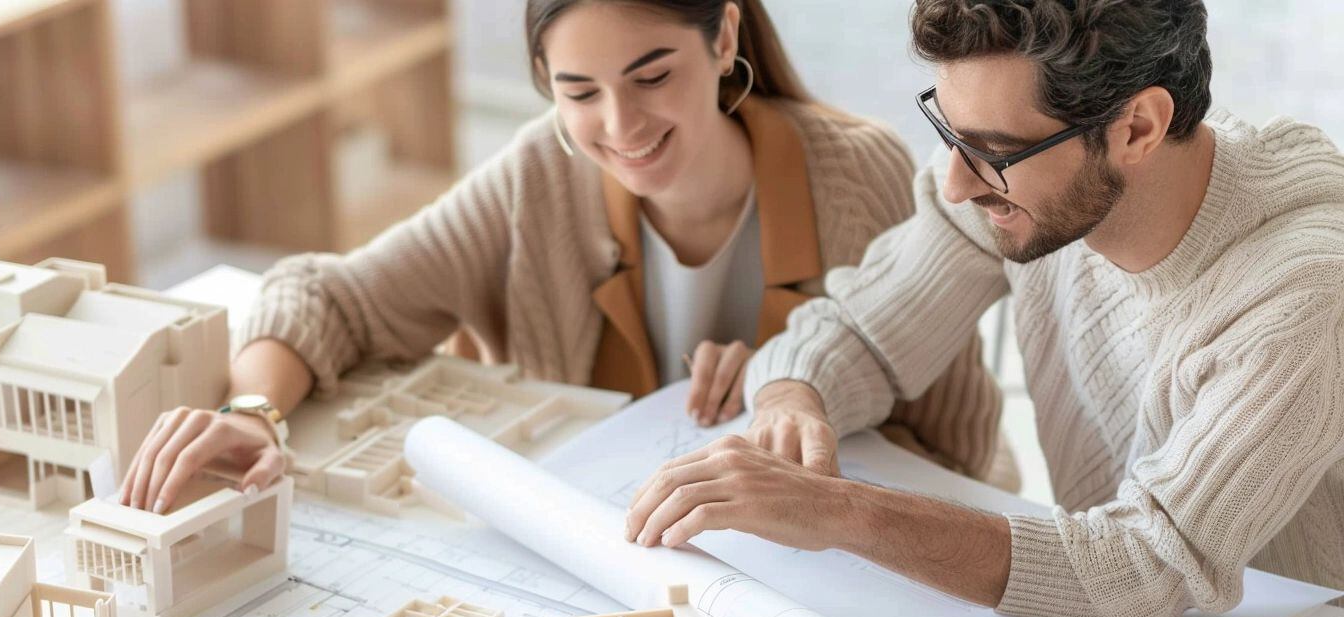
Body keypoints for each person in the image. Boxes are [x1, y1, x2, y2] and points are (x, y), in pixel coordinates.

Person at [119, 0, 1006, 514]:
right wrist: (250, 413)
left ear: (725, 37)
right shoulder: (542, 172)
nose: (621, 129)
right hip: (608, 551)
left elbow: (959, 449)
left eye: (653, 76)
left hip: (807, 583)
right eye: (579, 92)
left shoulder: (857, 172)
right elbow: (330, 297)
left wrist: (803, 389)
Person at [626, 0, 1344, 617]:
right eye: (950, 129)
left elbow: (1151, 562)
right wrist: (793, 398)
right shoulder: (1024, 186)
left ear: (1139, 127)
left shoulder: (1301, 289)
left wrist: (839, 512)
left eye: (994, 153)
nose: (957, 181)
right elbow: (858, 331)